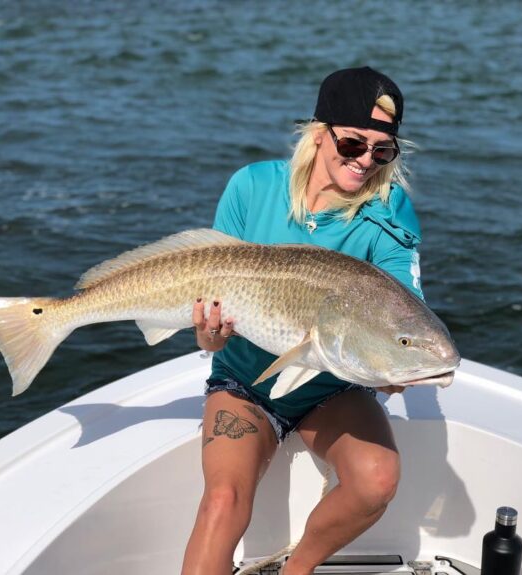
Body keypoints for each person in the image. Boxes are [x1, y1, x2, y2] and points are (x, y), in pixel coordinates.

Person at [181, 67, 424, 575]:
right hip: (245, 380)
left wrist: (399, 364)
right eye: (354, 143)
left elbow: (405, 304)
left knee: (377, 479)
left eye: (383, 151)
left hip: (332, 387)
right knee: (222, 502)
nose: (366, 162)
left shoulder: (390, 211)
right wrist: (208, 334)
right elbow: (210, 322)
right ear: (319, 133)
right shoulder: (252, 187)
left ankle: (298, 569)